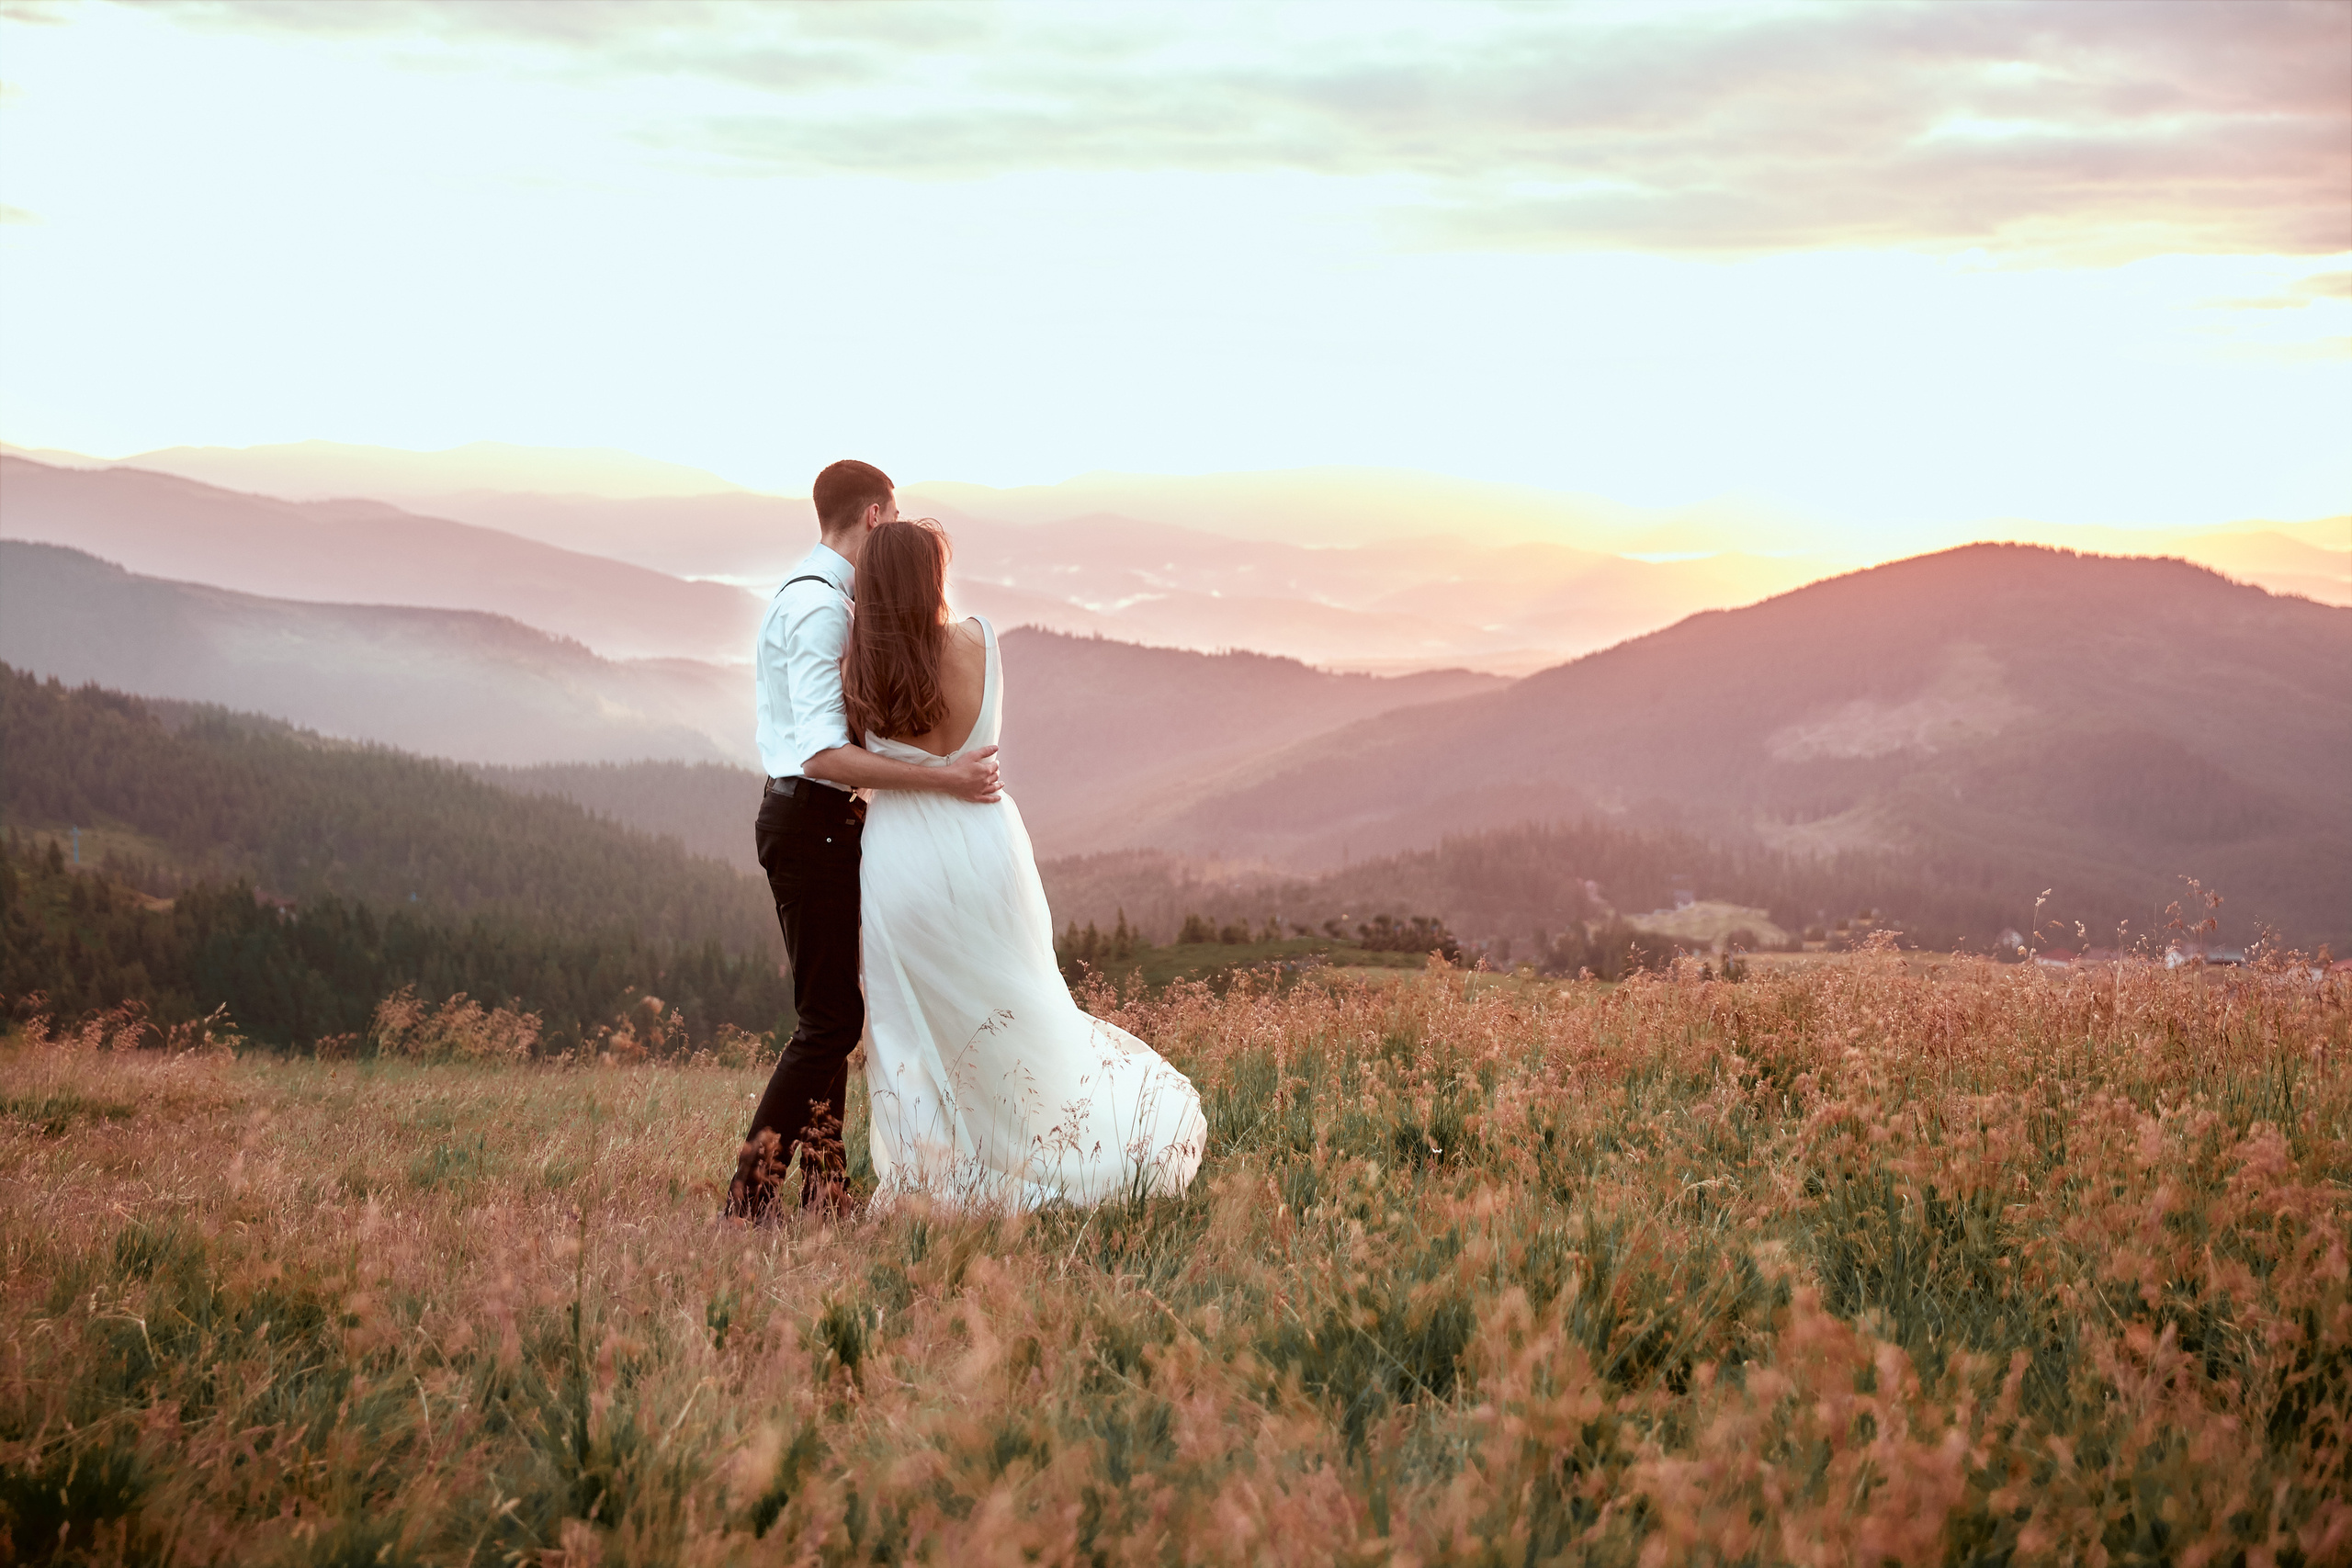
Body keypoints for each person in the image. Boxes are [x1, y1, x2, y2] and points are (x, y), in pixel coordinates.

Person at [844, 517, 1205, 1209]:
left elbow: (855, 771)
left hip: (901, 860)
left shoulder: (856, 667)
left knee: (913, 1024)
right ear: (932, 578)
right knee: (1016, 998)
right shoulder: (979, 639)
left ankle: (935, 1171)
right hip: (984, 845)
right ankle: (1047, 1136)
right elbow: (983, 739)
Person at [725, 460, 1001, 1222]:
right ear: (876, 516)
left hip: (818, 821)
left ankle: (825, 1191)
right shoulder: (818, 608)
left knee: (836, 1016)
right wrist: (942, 780)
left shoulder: (810, 596)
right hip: (809, 815)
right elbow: (820, 754)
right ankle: (749, 1197)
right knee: (826, 1022)